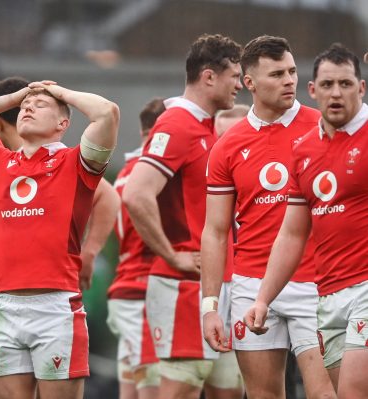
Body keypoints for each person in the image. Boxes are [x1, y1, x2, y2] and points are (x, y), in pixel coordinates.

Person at [0, 81, 119, 399]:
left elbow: (107, 113)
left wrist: (61, 93)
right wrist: (14, 97)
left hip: (54, 308)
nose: (28, 108)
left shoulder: (76, 163)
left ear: (63, 123)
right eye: (25, 106)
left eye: (40, 105)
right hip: (2, 306)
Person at [202, 35, 335, 399]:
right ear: (249, 83)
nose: (289, 80)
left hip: (316, 283)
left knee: (325, 394)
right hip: (250, 287)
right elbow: (214, 231)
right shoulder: (227, 146)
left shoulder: (323, 127)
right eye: (277, 74)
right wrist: (210, 307)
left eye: (292, 71)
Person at [122, 34, 243, 399]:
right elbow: (136, 193)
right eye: (234, 76)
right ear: (209, 77)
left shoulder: (204, 125)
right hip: (182, 288)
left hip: (217, 284)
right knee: (180, 393)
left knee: (230, 392)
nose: (240, 84)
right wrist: (170, 254)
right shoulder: (177, 124)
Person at [244, 43, 367, 398]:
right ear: (312, 91)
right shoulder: (305, 151)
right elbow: (293, 234)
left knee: (355, 391)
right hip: (327, 295)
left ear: (361, 88)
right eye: (327, 85)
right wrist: (263, 298)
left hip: (366, 287)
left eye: (345, 84)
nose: (336, 93)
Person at [0, 76, 119, 291]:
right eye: (25, 105)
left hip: (54, 294)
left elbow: (108, 195)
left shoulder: (63, 159)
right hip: (1, 292)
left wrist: (89, 251)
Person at [107, 97, 165, 399]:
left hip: (127, 287)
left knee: (131, 385)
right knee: (153, 384)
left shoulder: (126, 172)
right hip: (142, 290)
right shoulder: (154, 177)